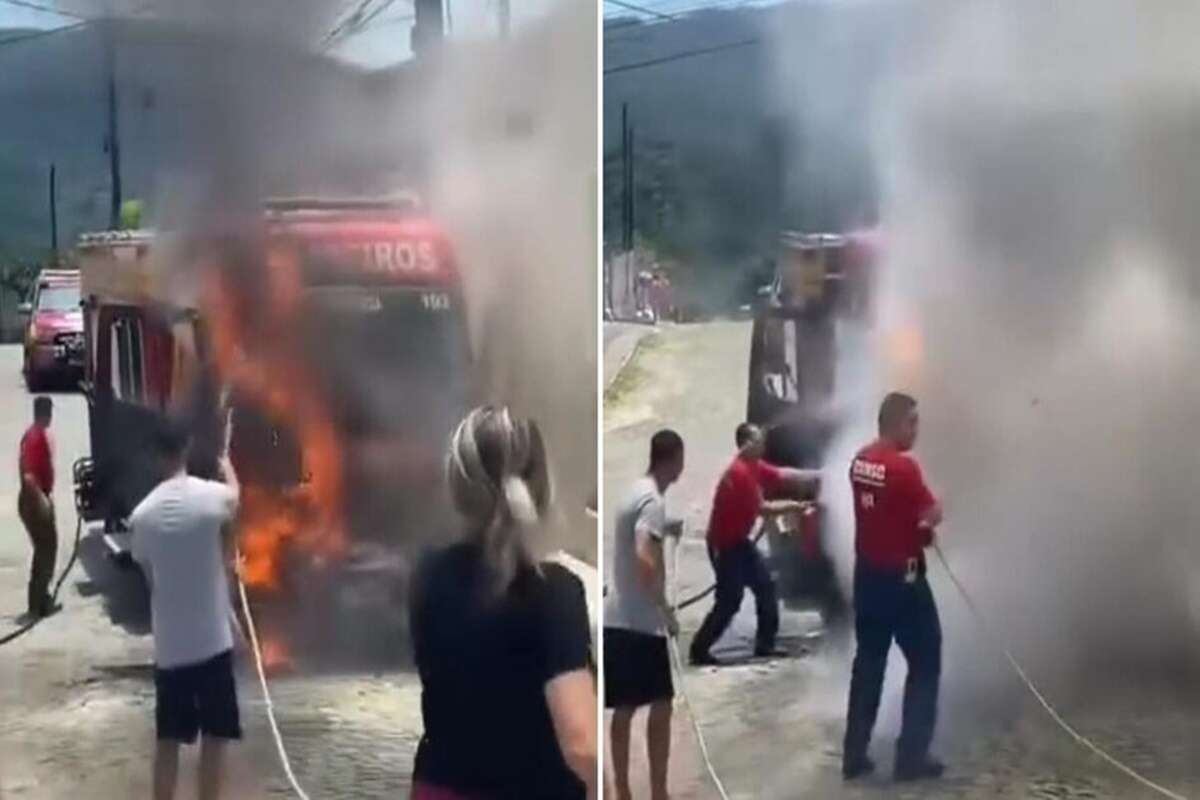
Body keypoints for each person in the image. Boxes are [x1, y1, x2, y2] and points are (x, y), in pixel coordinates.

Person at [409, 406, 597, 800]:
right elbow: (581, 744)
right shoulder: (554, 592)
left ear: (457, 488)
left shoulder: (428, 578)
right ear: (542, 482)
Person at [130, 418, 242, 800]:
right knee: (214, 738)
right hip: (213, 645)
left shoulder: (141, 517)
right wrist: (226, 463)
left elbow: (149, 576)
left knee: (168, 741)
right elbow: (235, 497)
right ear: (187, 449)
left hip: (171, 652)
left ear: (155, 456)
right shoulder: (212, 498)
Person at [842, 392, 944, 782]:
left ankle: (854, 755)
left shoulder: (860, 462)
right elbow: (929, 512)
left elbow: (885, 512)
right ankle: (911, 757)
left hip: (867, 577)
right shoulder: (904, 468)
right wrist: (928, 524)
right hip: (903, 582)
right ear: (897, 423)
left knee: (868, 664)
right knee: (926, 659)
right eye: (913, 422)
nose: (916, 430)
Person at [689, 422, 818, 665]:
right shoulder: (739, 474)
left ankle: (765, 645)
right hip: (724, 546)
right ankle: (699, 649)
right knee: (730, 600)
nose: (764, 444)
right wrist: (797, 506)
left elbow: (783, 475)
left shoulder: (753, 465)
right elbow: (764, 509)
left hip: (740, 542)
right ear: (746, 444)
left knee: (766, 587)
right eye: (758, 440)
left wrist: (819, 475)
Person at [604, 429, 685, 800]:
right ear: (675, 460)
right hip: (640, 622)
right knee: (662, 705)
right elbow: (644, 558)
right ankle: (658, 792)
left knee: (623, 708)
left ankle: (621, 790)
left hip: (615, 617)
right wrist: (665, 611)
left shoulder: (635, 490)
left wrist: (665, 529)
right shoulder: (653, 501)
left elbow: (634, 532)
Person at [17, 396, 59, 620]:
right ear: (45, 412)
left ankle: (42, 599)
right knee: (45, 551)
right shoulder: (35, 437)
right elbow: (28, 474)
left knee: (46, 550)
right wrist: (42, 500)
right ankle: (36, 605)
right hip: (34, 501)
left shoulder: (34, 434)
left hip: (35, 498)